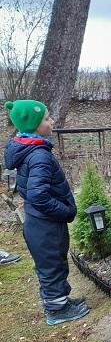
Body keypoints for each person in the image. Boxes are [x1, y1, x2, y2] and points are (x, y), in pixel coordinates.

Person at [3, 100, 90, 325]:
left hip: (39, 221)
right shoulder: (39, 156)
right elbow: (38, 196)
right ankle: (57, 310)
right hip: (46, 224)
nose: (51, 122)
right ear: (34, 125)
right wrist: (65, 211)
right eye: (47, 118)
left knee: (52, 263)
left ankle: (60, 301)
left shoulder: (30, 149)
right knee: (52, 266)